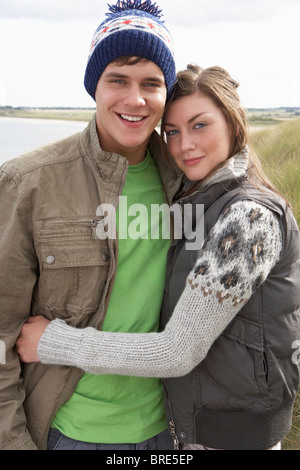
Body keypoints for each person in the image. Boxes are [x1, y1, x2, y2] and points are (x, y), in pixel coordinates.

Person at [17, 64, 300, 450]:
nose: (184, 145)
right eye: (172, 132)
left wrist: (53, 341)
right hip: (199, 429)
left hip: (232, 438)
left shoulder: (247, 218)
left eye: (200, 125)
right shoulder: (201, 201)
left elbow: (177, 351)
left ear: (234, 124)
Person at [0, 0, 182, 451]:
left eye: (151, 84)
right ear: (93, 87)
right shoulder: (28, 183)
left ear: (166, 93)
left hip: (173, 431)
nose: (135, 99)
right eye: (117, 79)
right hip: (68, 433)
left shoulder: (188, 182)